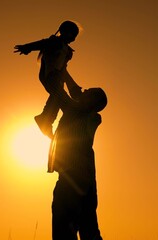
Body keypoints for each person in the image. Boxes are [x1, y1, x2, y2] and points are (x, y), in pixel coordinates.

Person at [47, 71, 107, 240]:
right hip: (82, 179)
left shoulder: (79, 112)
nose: (84, 90)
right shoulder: (83, 111)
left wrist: (54, 70)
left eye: (89, 91)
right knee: (88, 228)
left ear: (93, 102)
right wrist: (64, 72)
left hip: (73, 179)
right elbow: (75, 93)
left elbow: (59, 93)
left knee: (64, 227)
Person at [14, 20, 80, 138]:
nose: (73, 38)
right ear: (63, 31)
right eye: (72, 34)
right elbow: (42, 43)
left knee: (56, 99)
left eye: (75, 36)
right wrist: (27, 47)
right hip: (49, 75)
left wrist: (72, 85)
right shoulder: (55, 41)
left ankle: (45, 119)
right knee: (62, 99)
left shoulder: (68, 51)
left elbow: (64, 68)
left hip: (58, 78)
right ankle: (48, 120)